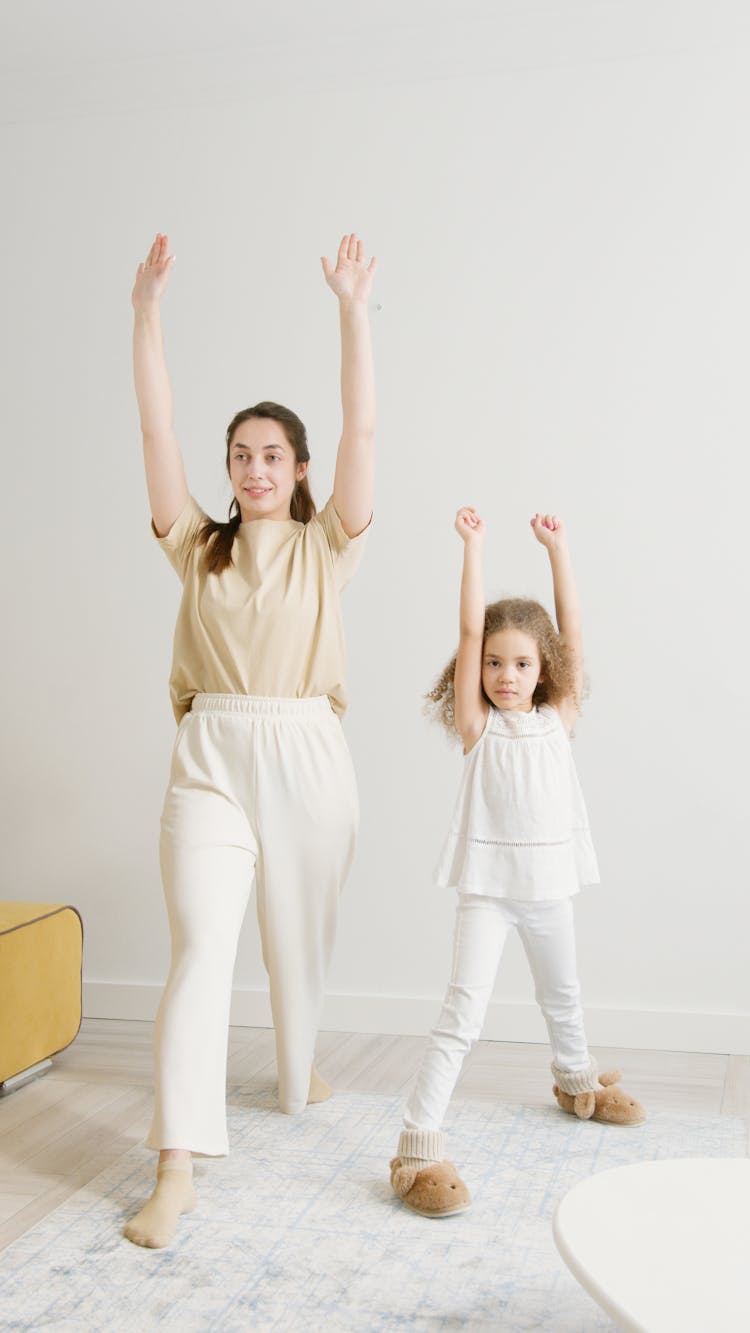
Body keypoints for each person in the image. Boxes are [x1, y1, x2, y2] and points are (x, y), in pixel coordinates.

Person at [124, 231, 376, 1249]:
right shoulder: (198, 545)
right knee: (200, 951)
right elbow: (155, 432)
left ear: (299, 468)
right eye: (242, 456)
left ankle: (296, 1054)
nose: (255, 467)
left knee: (297, 946)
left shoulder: (329, 543)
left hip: (308, 749)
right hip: (212, 754)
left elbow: (364, 426)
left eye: (273, 454)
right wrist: (145, 313)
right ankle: (177, 1162)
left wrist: (352, 310)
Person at [389, 507, 644, 1218]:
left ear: (545, 670)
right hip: (488, 893)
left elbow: (574, 633)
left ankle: (575, 1080)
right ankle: (416, 1145)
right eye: (496, 664)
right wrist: (474, 548)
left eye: (522, 663)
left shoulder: (557, 718)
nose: (505, 675)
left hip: (549, 887)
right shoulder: (480, 727)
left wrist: (559, 549)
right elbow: (469, 630)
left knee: (563, 995)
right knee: (461, 1013)